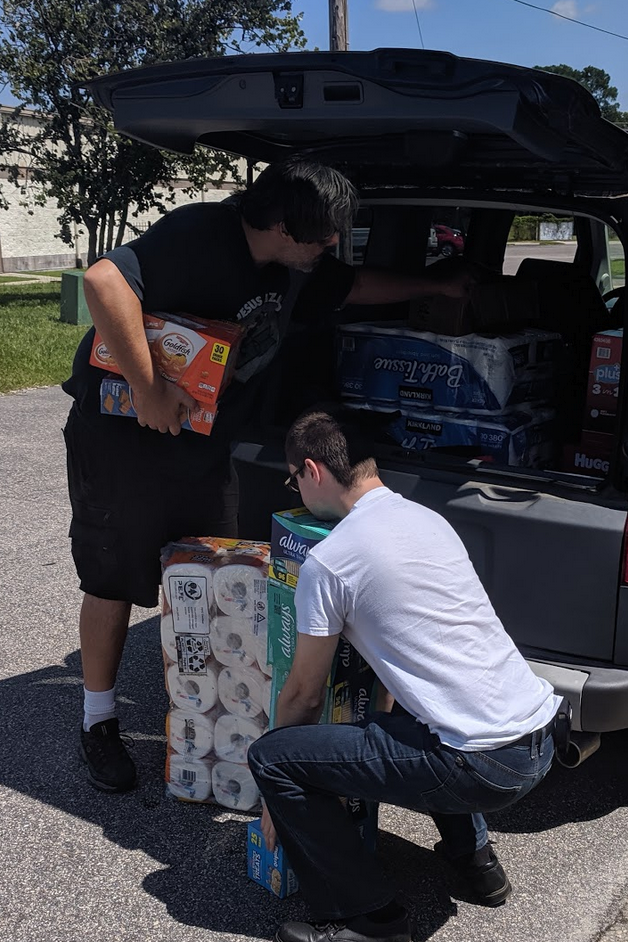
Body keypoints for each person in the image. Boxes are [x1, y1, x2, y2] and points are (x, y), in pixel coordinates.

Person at [63, 157, 470, 794]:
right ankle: (99, 720)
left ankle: (207, 712)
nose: (332, 243)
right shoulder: (201, 233)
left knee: (215, 574)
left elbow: (355, 286)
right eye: (324, 233)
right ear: (282, 224)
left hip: (202, 443)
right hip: (120, 439)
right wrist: (148, 388)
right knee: (112, 575)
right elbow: (103, 281)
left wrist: (438, 287)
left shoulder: (295, 264)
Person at [247, 409, 562, 942]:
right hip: (538, 740)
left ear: (312, 470)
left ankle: (371, 921)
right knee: (422, 720)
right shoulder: (427, 519)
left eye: (294, 480)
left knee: (273, 758)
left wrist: (277, 793)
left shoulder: (330, 561)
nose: (297, 491)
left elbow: (302, 695)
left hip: (479, 767)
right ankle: (476, 864)